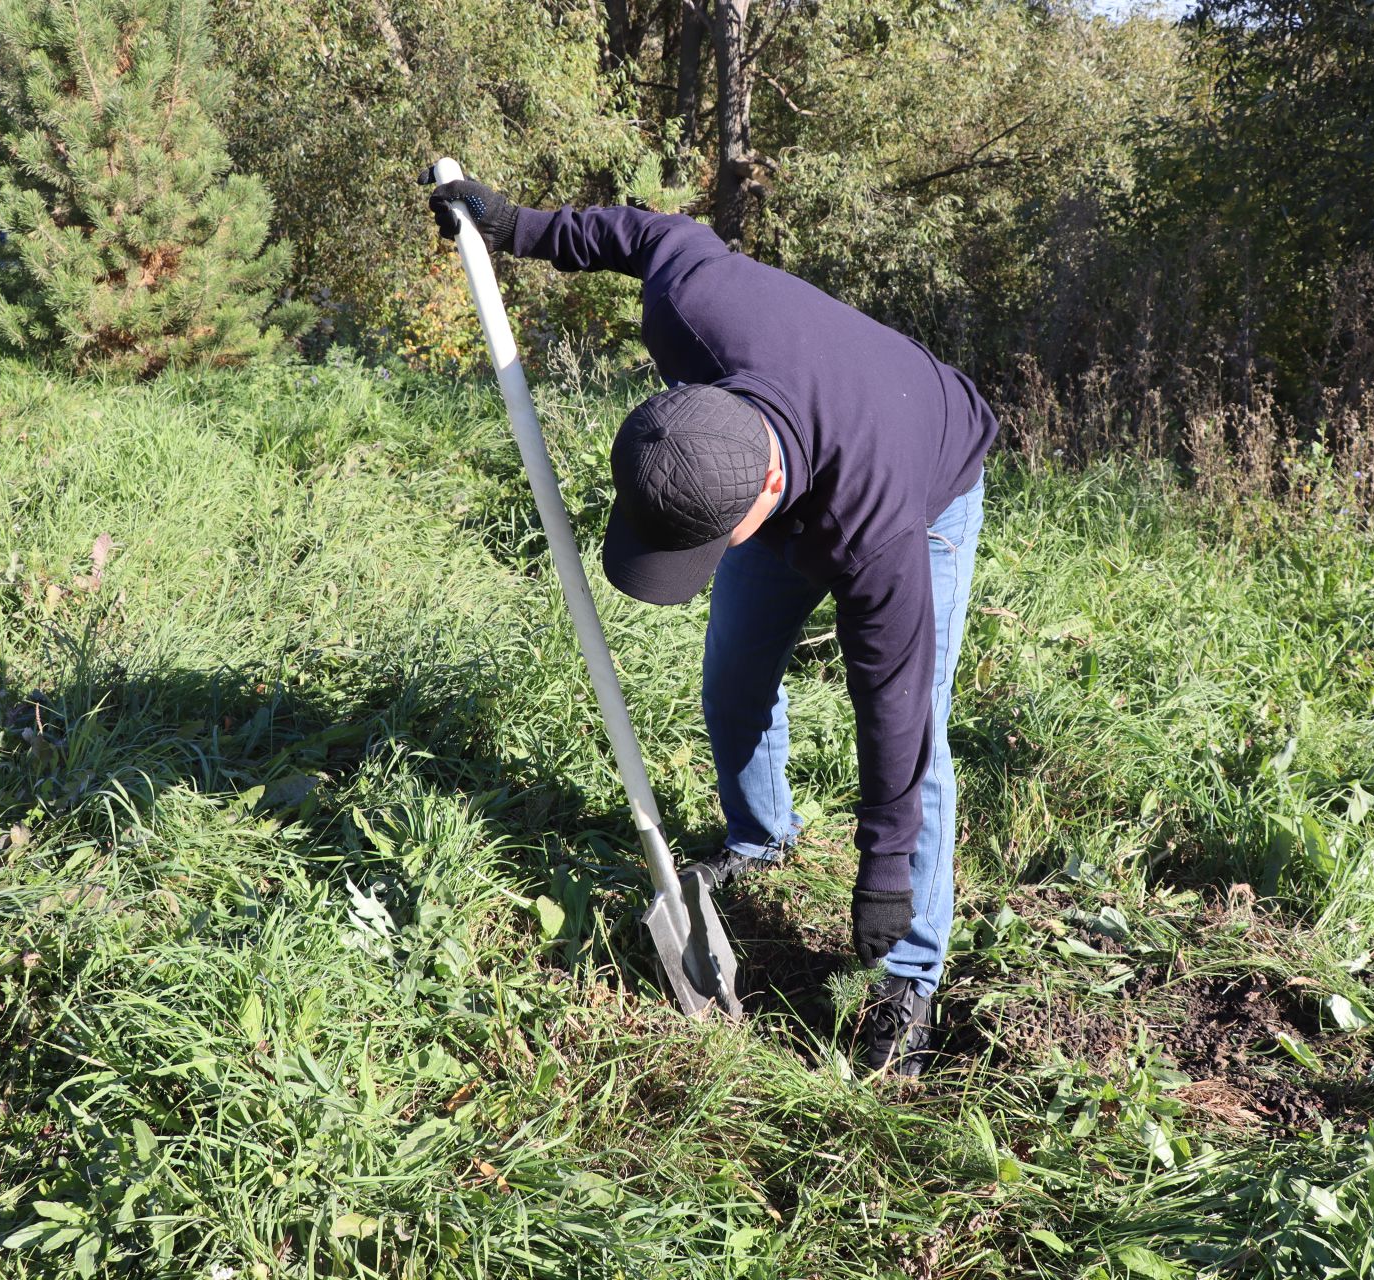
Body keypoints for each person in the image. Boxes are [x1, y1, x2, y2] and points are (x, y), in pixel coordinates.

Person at [422, 172, 999, 1077]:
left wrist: (882, 868)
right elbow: (648, 232)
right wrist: (517, 226)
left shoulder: (876, 533)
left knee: (918, 723)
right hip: (784, 447)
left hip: (927, 468)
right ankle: (761, 839)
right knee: (736, 668)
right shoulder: (692, 308)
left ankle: (912, 976)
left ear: (763, 499)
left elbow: (890, 711)